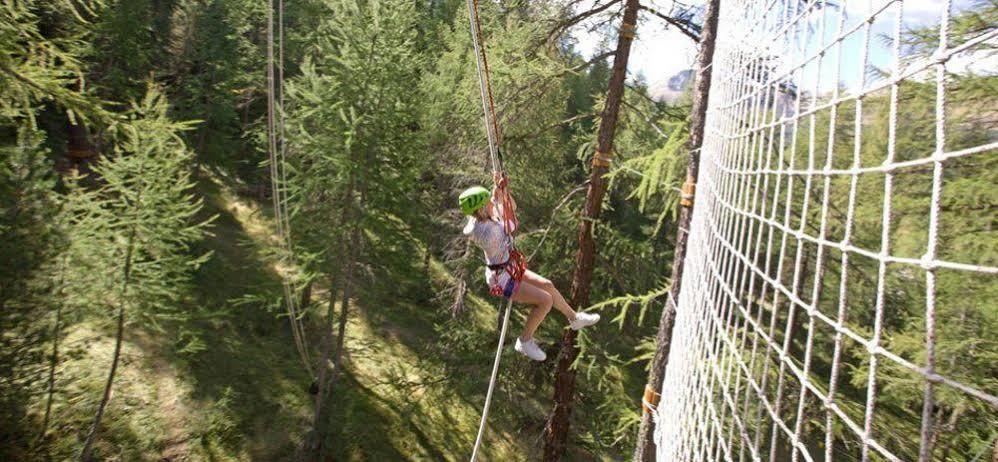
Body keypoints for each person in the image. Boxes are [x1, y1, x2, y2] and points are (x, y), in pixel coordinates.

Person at [459, 180, 599, 361]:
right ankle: (524, 341)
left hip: (508, 268)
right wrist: (503, 195)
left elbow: (502, 207)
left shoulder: (477, 220)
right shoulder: (491, 231)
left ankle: (574, 319)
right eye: (488, 203)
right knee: (545, 301)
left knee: (547, 285)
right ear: (481, 209)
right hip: (502, 279)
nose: (491, 204)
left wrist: (499, 191)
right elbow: (513, 218)